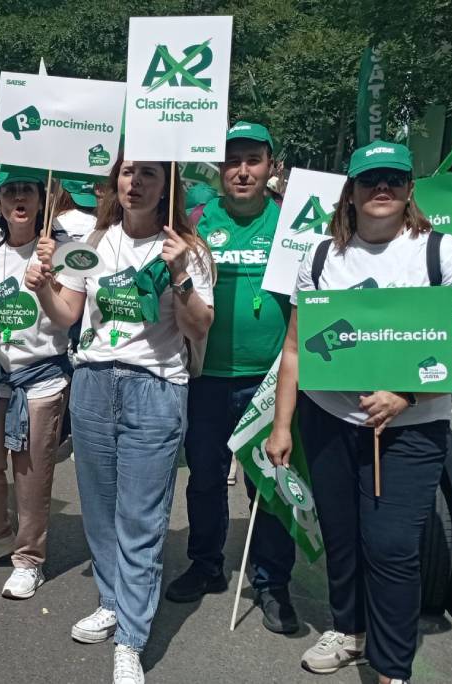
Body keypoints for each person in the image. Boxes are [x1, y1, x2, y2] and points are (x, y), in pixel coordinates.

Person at [265, 141, 452, 683]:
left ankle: (392, 667)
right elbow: (296, 348)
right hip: (328, 422)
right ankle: (350, 630)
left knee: (391, 547)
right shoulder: (321, 257)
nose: (382, 189)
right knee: (342, 538)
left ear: (410, 189)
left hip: (410, 430)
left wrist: (406, 394)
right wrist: (281, 425)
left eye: (394, 179)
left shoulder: (443, 256)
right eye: (370, 181)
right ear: (351, 192)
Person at [26, 158, 214, 684]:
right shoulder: (94, 239)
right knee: (101, 510)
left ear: (167, 186)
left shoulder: (187, 250)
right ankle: (112, 600)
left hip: (154, 389)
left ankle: (132, 635)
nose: (136, 183)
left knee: (141, 518)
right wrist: (42, 286)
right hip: (92, 385)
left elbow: (200, 328)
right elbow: (67, 315)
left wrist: (178, 276)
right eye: (129, 173)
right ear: (115, 182)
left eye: (150, 174)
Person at [165, 122, 300, 634]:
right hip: (206, 377)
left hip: (270, 381)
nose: (242, 171)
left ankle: (271, 582)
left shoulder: (293, 224)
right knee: (203, 480)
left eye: (253, 160)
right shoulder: (196, 222)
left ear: (271, 166)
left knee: (270, 483)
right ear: (219, 169)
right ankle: (205, 565)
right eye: (232, 162)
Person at [0, 170, 69, 600]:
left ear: (42, 200)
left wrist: (45, 287)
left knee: (31, 474)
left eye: (28, 189)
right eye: (10, 192)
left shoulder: (62, 253)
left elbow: (68, 318)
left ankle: (29, 559)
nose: (19, 199)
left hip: (39, 381)